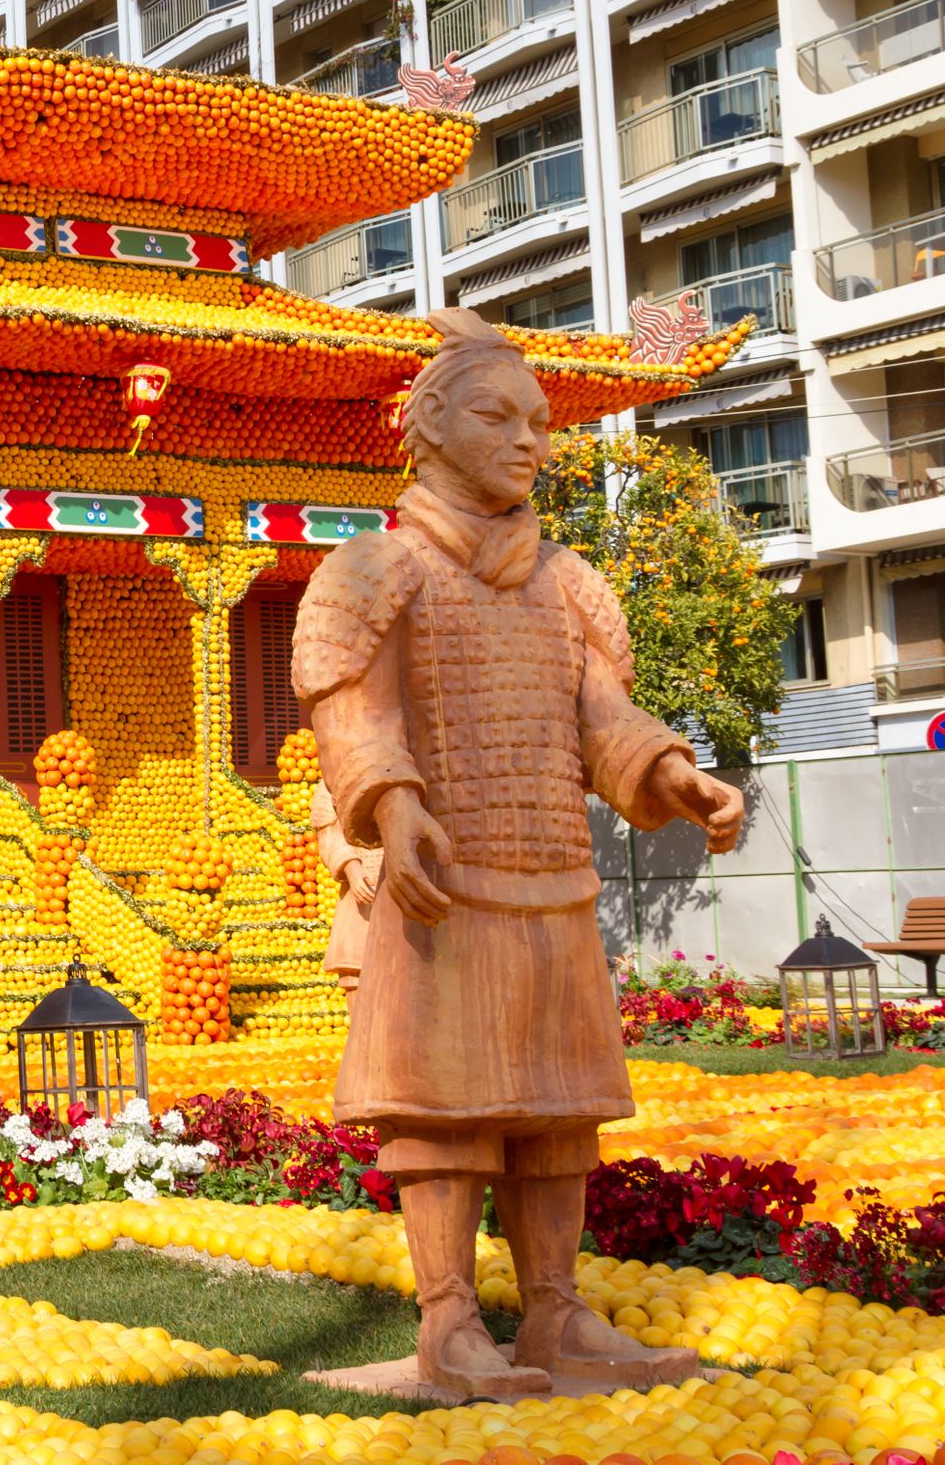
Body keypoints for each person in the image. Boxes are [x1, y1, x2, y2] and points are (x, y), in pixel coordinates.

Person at [293, 307, 745, 1400]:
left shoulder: (566, 580)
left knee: (556, 1109)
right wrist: (394, 807)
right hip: (443, 888)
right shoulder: (375, 567)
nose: (530, 439)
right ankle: (447, 1318)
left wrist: (671, 775)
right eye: (499, 415)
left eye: (540, 421)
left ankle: (556, 1309)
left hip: (551, 876)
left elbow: (602, 718)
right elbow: (354, 713)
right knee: (443, 1110)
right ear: (431, 429)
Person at [309, 778, 382, 1016]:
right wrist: (351, 866)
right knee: (355, 964)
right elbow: (329, 834)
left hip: (399, 879)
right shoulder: (332, 782)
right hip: (361, 884)